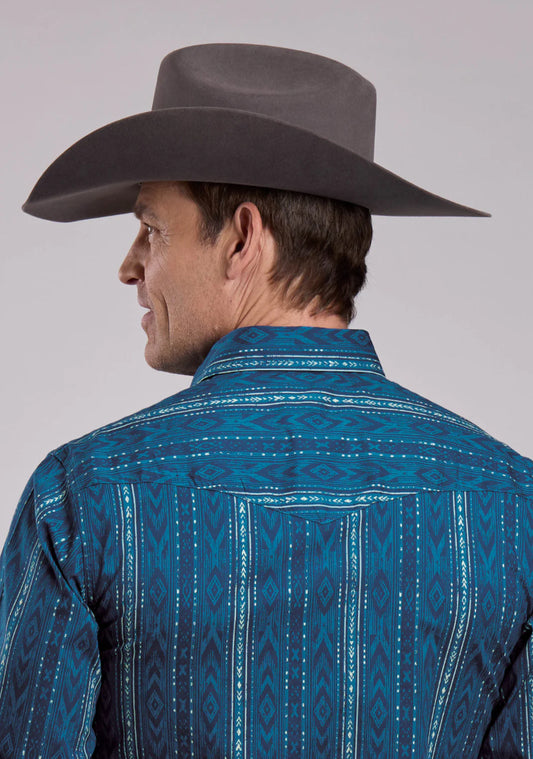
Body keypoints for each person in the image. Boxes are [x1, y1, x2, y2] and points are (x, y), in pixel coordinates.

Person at [0, 42, 532, 759]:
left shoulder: (85, 497)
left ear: (242, 239)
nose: (129, 265)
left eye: (151, 228)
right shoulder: (511, 506)